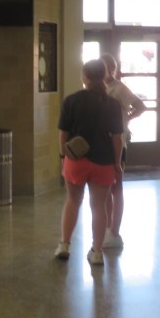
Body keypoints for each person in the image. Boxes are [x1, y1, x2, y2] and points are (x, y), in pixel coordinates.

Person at [55, 59, 124, 266]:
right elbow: (117, 138)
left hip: (76, 159)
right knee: (99, 206)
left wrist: (63, 157)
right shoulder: (112, 104)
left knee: (73, 201)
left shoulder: (72, 100)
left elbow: (63, 134)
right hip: (103, 162)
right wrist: (117, 163)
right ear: (104, 76)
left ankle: (64, 245)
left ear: (84, 76)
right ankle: (96, 252)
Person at [100, 52, 147, 249]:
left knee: (116, 186)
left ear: (111, 68)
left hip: (119, 139)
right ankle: (107, 227)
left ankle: (114, 230)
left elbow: (140, 106)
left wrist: (126, 119)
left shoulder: (119, 88)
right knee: (105, 188)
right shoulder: (98, 88)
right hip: (102, 141)